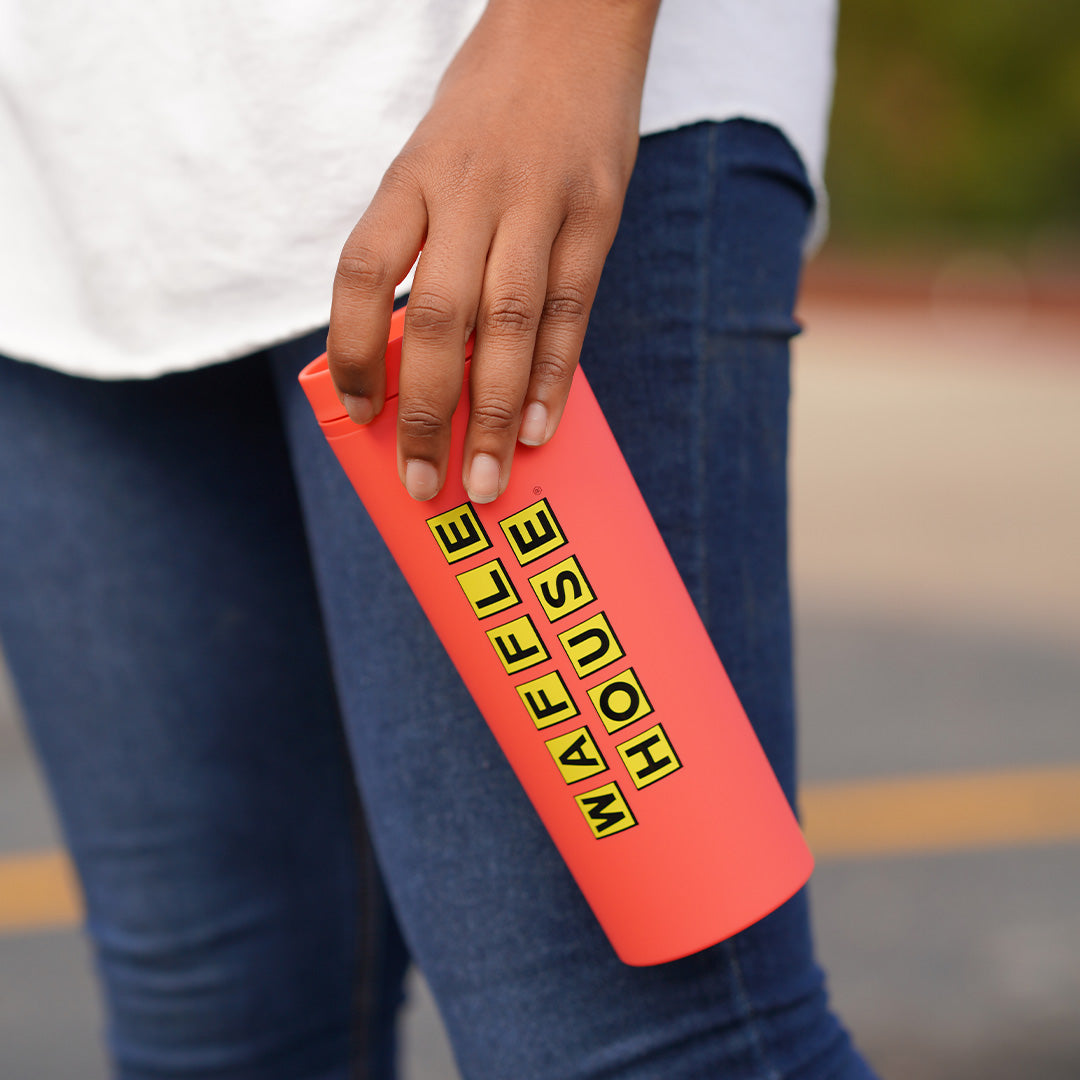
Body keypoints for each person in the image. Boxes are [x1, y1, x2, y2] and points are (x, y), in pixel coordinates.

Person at [0, 1, 879, 1077]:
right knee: (217, 1038)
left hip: (502, 105)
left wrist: (567, 34)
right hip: (57, 195)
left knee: (640, 1041)